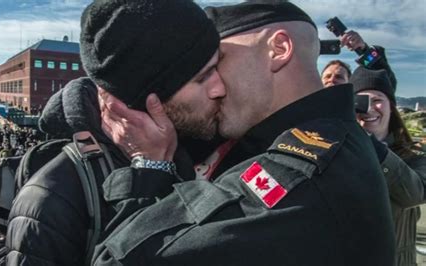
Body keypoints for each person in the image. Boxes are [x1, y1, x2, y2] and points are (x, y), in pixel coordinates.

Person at [92, 1, 395, 265]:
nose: (215, 86)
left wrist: (150, 166)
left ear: (279, 49)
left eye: (218, 62)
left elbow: (119, 259)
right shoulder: (328, 137)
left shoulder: (301, 177)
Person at [4, 0, 225, 265]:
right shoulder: (51, 199)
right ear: (145, 98)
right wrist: (151, 172)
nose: (220, 87)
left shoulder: (205, 143)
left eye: (218, 66)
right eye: (203, 77)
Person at [351, 67, 426, 266]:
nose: (369, 108)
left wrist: (369, 142)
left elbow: (414, 193)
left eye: (377, 100)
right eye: (361, 101)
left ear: (391, 106)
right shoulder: (341, 151)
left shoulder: (414, 154)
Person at [321, 30, 396, 88]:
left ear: (349, 83)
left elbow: (386, 82)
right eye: (327, 76)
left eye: (339, 77)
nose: (332, 80)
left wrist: (365, 51)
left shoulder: (356, 106)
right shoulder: (311, 102)